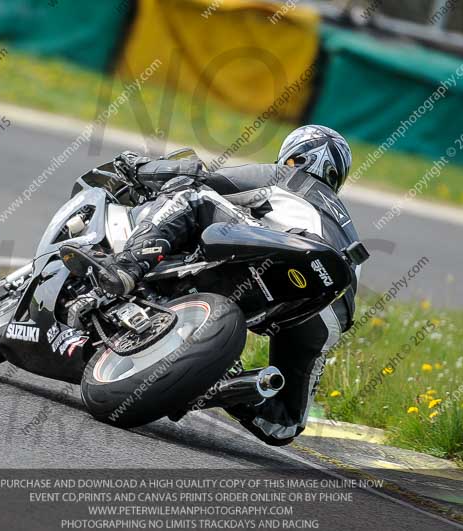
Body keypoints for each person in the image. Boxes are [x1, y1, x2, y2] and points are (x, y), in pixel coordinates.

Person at [81, 125, 361, 446]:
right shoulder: (347, 226)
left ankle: (127, 266)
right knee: (283, 420)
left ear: (294, 159)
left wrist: (140, 167)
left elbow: (201, 177)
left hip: (291, 254)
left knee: (192, 194)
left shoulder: (287, 177)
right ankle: (238, 389)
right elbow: (283, 430)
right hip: (330, 308)